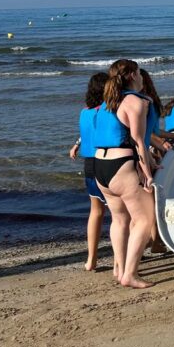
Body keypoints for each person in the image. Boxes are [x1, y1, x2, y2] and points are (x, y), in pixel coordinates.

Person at [94, 59, 157, 289]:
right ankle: (129, 275)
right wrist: (148, 174)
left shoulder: (107, 102)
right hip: (122, 166)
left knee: (119, 219)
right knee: (144, 220)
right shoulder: (135, 101)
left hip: (100, 166)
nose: (141, 77)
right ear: (132, 75)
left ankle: (119, 269)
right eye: (139, 73)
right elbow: (138, 141)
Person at [69, 71, 110, 272]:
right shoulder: (108, 110)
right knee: (120, 213)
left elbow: (85, 133)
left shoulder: (84, 111)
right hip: (107, 161)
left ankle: (91, 259)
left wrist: (76, 144)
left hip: (89, 163)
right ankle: (122, 258)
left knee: (96, 211)